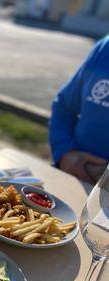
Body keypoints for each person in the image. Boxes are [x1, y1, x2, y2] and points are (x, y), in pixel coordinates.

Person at [49, 36, 109, 184]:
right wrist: (65, 152)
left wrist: (105, 178)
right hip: (76, 181)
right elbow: (64, 106)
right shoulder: (105, 49)